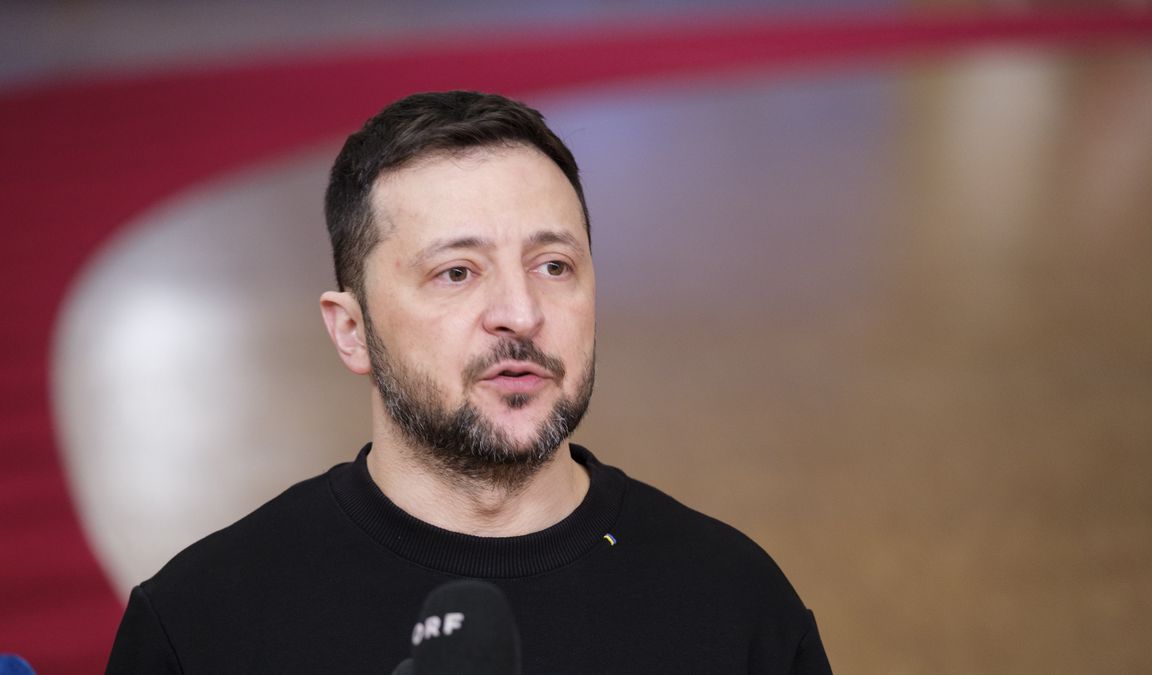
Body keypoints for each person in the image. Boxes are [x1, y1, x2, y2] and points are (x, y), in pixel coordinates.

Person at [105, 90, 833, 674]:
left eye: (554, 266)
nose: (521, 313)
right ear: (350, 330)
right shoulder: (201, 627)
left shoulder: (735, 604)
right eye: (457, 272)